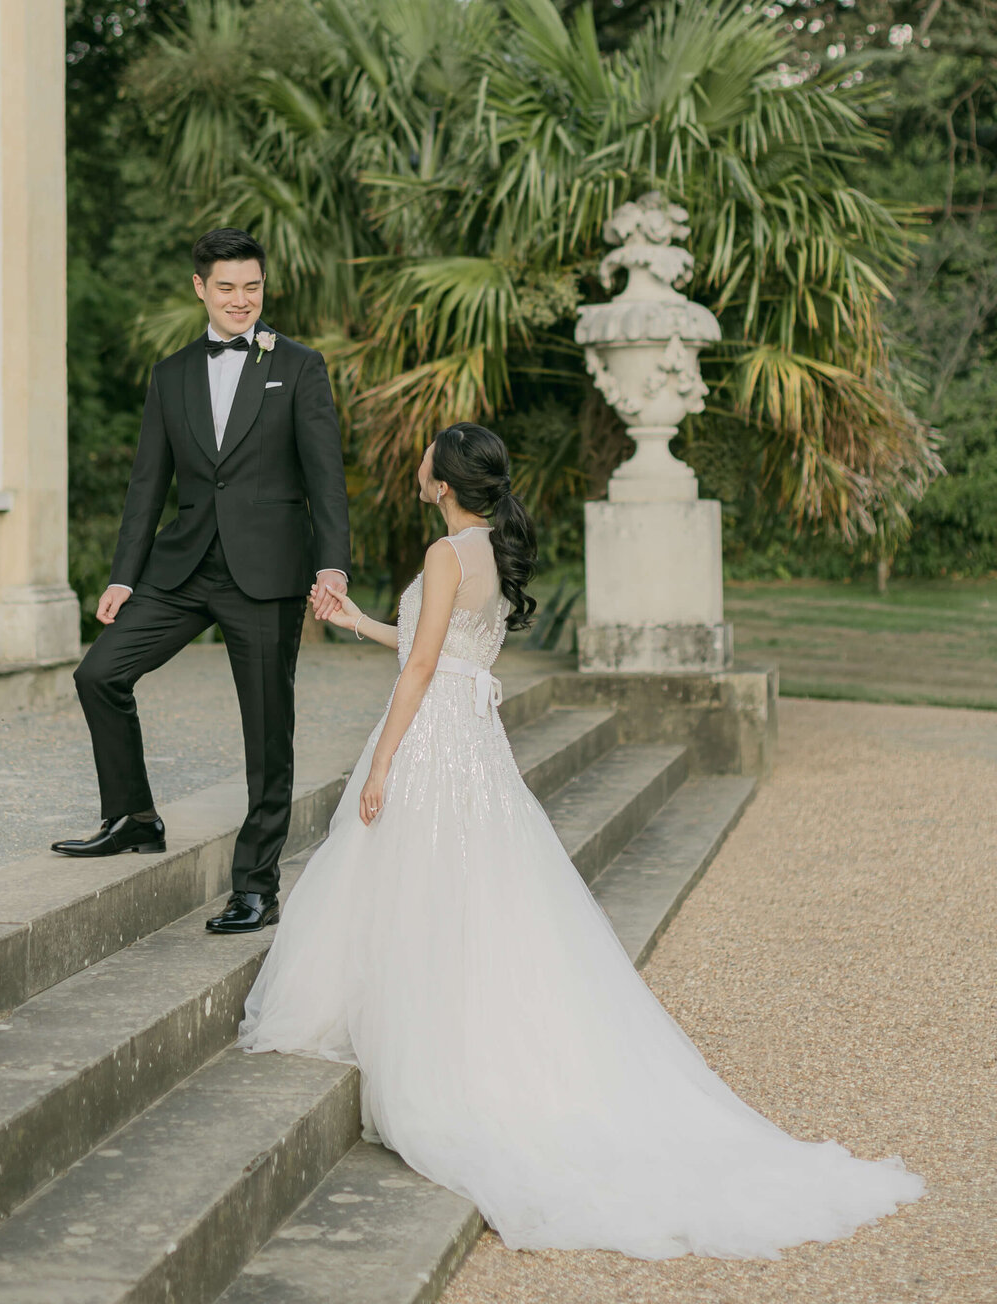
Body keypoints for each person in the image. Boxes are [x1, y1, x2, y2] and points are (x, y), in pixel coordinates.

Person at [239, 421, 925, 1255]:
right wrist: (355, 620)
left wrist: (381, 761)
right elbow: (439, 648)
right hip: (471, 736)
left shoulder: (442, 555)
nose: (419, 465)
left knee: (417, 877)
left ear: (445, 482)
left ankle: (434, 1035)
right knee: (474, 884)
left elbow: (422, 670)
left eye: (427, 459)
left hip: (432, 736)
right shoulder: (483, 551)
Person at [53, 228, 352, 936]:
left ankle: (256, 884)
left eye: (252, 286)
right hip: (182, 568)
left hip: (267, 574)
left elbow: (325, 478)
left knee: (266, 733)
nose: (241, 299)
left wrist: (332, 564)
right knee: (100, 674)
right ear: (200, 288)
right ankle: (132, 816)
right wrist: (124, 576)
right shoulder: (172, 374)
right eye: (226, 287)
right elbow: (146, 486)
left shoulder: (301, 368)